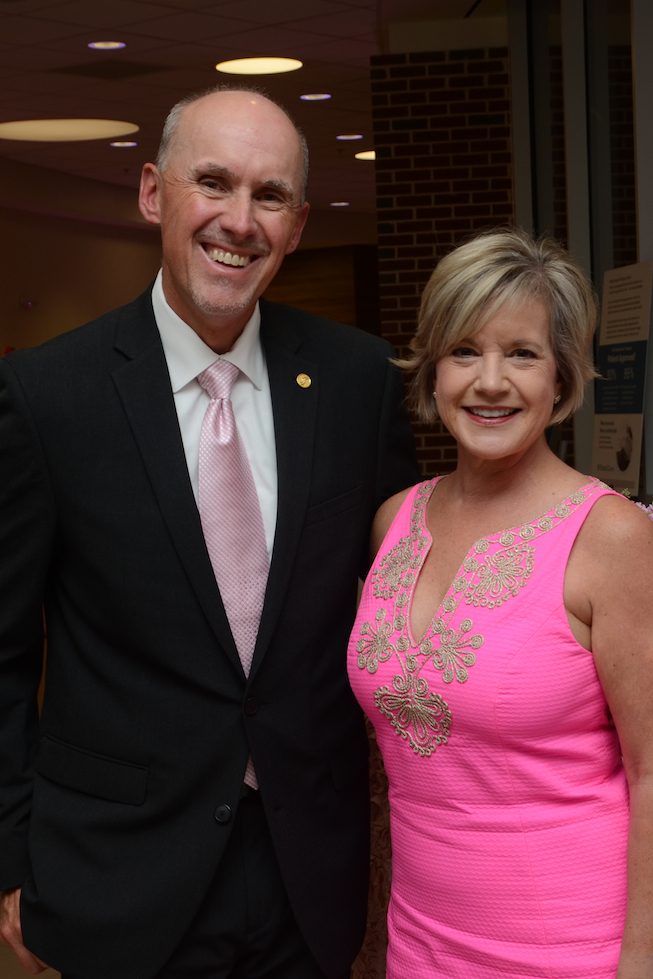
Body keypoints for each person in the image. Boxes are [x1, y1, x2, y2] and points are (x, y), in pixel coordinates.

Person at [0, 85, 419, 979]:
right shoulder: (45, 396)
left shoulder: (358, 382)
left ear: (297, 226)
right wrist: (9, 855)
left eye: (270, 196)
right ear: (154, 193)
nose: (239, 220)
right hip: (116, 872)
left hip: (309, 870)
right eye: (214, 182)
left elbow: (405, 608)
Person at [348, 229, 653, 978]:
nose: (490, 381)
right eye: (464, 351)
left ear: (561, 375)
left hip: (572, 950)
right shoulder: (393, 521)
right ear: (432, 370)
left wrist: (641, 960)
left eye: (521, 353)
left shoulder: (611, 537)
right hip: (419, 941)